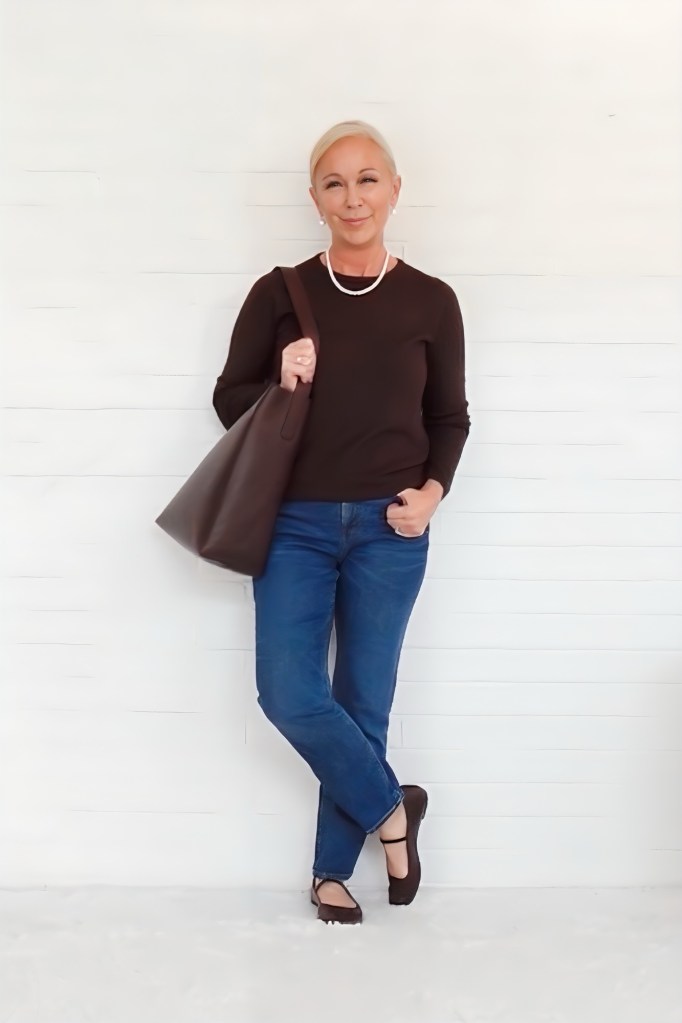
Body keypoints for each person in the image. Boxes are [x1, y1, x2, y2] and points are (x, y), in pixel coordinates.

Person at [212, 120, 470, 925]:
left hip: (393, 530)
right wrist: (278, 383)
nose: (352, 196)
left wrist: (433, 493)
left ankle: (331, 871)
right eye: (333, 182)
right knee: (288, 692)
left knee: (364, 701)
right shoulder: (280, 292)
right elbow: (229, 399)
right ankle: (395, 812)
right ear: (315, 199)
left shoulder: (432, 300)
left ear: (395, 191)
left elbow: (450, 418)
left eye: (367, 179)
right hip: (295, 523)